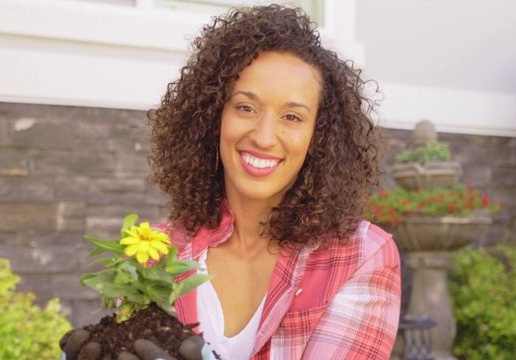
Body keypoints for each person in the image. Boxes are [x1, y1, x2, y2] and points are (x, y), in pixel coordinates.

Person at [61, 4, 400, 360]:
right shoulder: (155, 253)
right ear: (213, 117)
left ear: (320, 137)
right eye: (245, 108)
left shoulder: (362, 255)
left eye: (292, 116)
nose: (265, 136)